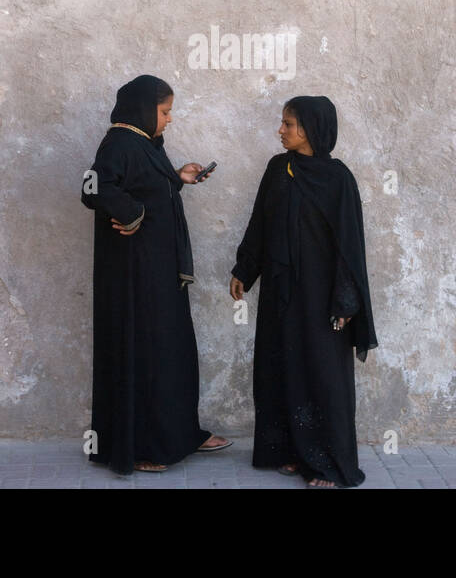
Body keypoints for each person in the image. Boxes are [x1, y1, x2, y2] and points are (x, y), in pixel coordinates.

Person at [81, 74, 230, 473]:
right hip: (136, 277)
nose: (169, 120)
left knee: (171, 352)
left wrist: (177, 177)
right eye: (164, 112)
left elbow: (145, 187)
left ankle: (179, 434)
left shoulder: (143, 145)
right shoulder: (118, 143)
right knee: (146, 354)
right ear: (144, 109)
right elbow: (92, 187)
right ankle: (142, 447)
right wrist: (129, 214)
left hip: (159, 272)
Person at [230, 95, 377, 487]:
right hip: (281, 292)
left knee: (322, 373)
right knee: (281, 367)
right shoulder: (279, 169)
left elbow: (350, 245)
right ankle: (292, 450)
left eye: (289, 124)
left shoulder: (337, 179)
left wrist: (347, 299)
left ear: (311, 129)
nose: (281, 130)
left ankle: (328, 461)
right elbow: (260, 223)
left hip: (322, 295)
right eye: (282, 123)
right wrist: (245, 268)